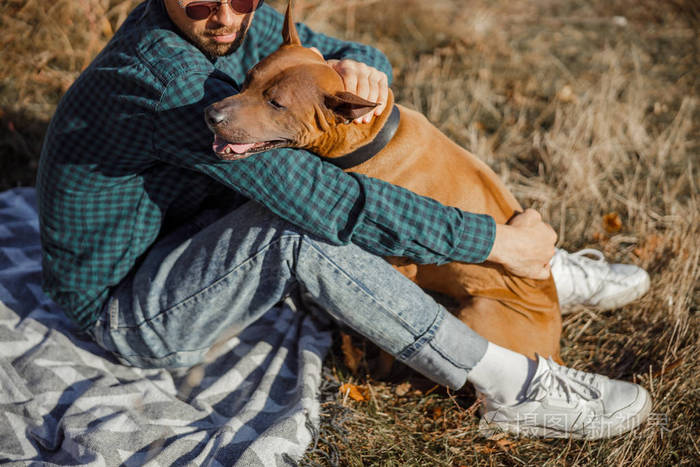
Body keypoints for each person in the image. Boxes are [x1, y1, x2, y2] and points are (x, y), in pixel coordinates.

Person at [36, 0, 651, 439]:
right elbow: (327, 202)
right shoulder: (171, 83)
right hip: (130, 315)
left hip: (183, 240)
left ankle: (537, 269)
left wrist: (364, 70)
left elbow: (337, 53)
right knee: (299, 231)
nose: (222, 15)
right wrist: (493, 241)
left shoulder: (226, 30)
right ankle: (509, 384)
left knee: (381, 148)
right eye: (198, 0)